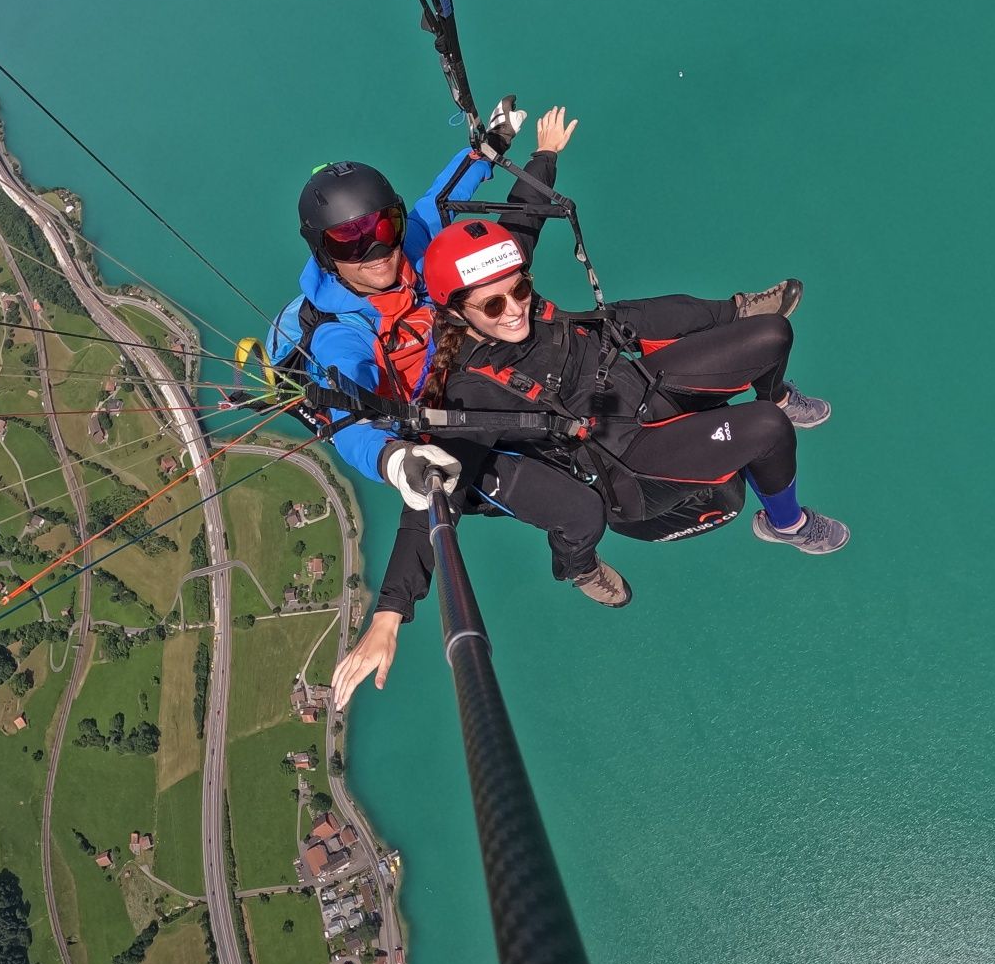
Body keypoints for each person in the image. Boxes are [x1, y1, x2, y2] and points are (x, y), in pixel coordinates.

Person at [268, 103, 800, 599]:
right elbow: (346, 408)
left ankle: (737, 322)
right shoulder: (343, 333)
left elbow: (464, 204)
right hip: (451, 413)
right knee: (578, 509)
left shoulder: (420, 251)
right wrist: (391, 459)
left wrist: (503, 149)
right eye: (351, 244)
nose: (378, 250)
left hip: (497, 345)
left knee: (614, 320)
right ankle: (577, 564)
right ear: (323, 250)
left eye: (384, 227)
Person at [332, 220, 846, 706]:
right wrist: (390, 612)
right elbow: (432, 492)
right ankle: (787, 524)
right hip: (628, 466)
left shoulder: (535, 317)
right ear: (456, 311)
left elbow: (628, 317)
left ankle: (779, 397)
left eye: (520, 290)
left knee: (773, 333)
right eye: (493, 304)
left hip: (636, 397)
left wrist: (540, 158)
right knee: (763, 429)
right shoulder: (470, 397)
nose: (513, 310)